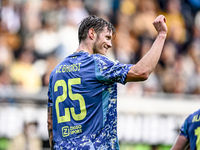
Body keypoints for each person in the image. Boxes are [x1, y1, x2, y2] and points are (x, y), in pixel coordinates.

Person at [47, 14, 167, 150]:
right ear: (92, 33)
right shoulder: (97, 64)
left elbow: (51, 122)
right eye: (107, 38)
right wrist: (161, 35)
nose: (110, 44)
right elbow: (142, 72)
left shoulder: (56, 71)